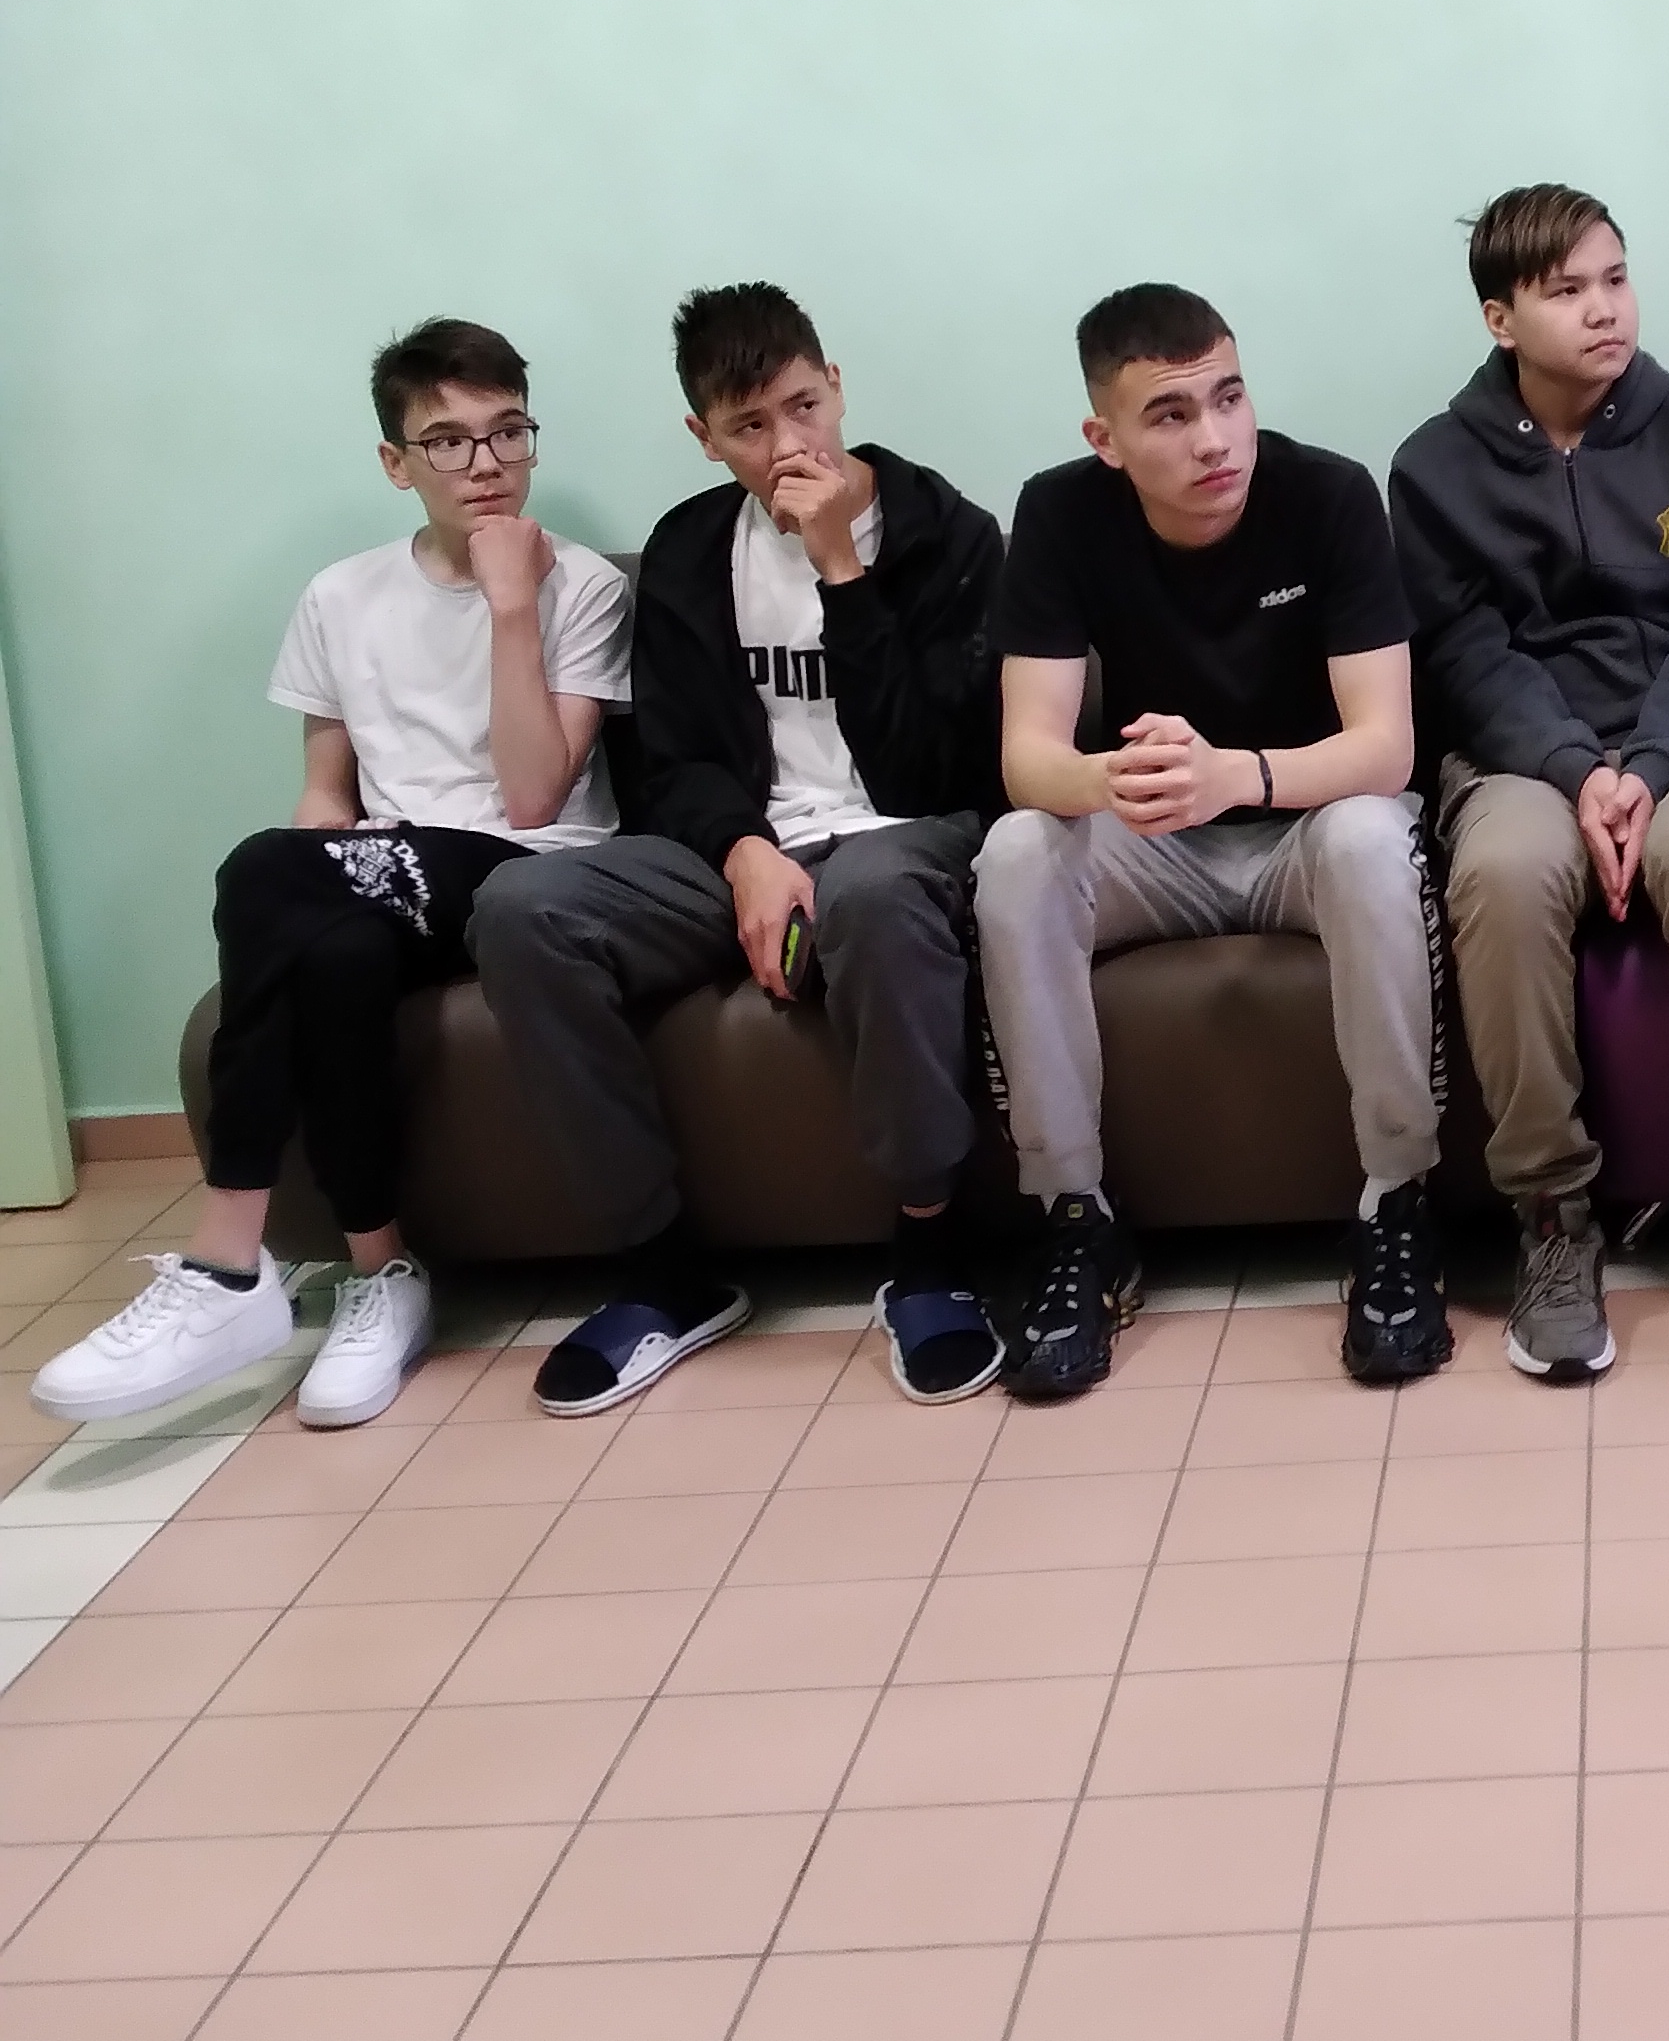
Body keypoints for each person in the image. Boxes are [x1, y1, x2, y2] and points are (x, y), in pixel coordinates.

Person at [36, 320, 627, 1434]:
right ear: (396, 463)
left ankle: (226, 1262)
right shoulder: (340, 597)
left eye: (508, 431)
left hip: (526, 876)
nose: (486, 462)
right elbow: (326, 797)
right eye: (447, 441)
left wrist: (512, 604)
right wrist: (310, 897)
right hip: (383, 876)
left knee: (263, 867)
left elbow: (534, 797)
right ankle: (383, 1272)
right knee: (328, 944)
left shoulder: (582, 585)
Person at [473, 285, 1008, 1413]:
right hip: (737, 853)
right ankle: (662, 1271)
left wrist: (841, 569)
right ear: (704, 435)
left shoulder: (950, 535)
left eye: (804, 406)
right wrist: (746, 852)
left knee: (872, 894)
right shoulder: (686, 550)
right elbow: (673, 761)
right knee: (523, 910)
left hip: (903, 835)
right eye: (749, 426)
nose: (788, 445)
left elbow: (931, 773)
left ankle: (929, 1253)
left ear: (837, 387)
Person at [972, 285, 1449, 1394]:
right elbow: (1028, 757)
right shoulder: (1059, 512)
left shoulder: (1328, 493)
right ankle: (1075, 1218)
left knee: (1373, 840)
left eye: (1229, 398)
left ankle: (1398, 1200)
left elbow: (1386, 747)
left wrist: (1238, 773)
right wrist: (1121, 778)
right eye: (1172, 414)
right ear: (1106, 440)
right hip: (1155, 835)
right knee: (1015, 855)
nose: (1215, 438)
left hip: (1302, 824)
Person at [1391, 185, 1669, 1384]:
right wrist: (1580, 771)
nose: (1603, 308)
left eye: (1615, 278)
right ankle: (1551, 1216)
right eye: (1566, 289)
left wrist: (1654, 768)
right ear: (1500, 318)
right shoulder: (1432, 466)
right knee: (1505, 867)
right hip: (1529, 752)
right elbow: (1465, 652)